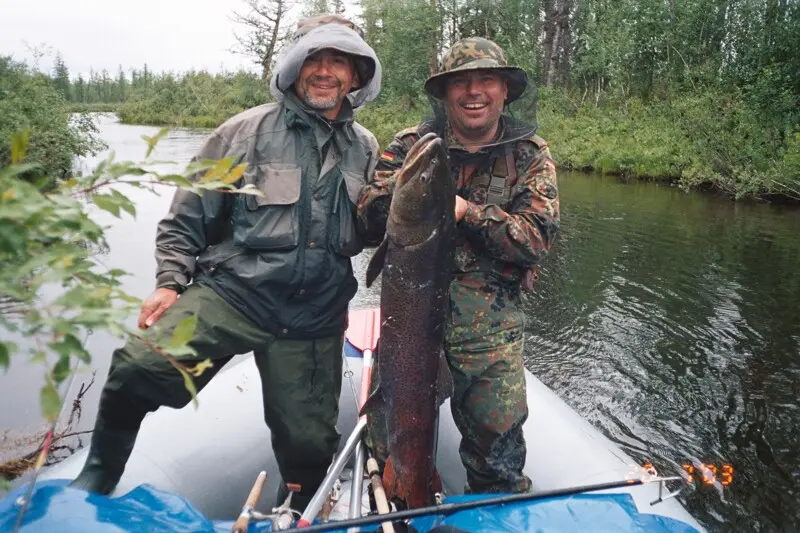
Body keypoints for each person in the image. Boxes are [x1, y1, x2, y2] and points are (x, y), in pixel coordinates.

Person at [70, 14, 382, 511]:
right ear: (295, 67)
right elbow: (185, 218)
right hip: (235, 294)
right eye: (314, 59)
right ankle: (97, 475)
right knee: (137, 367)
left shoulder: (366, 149)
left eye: (338, 61)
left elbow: (374, 232)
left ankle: (296, 510)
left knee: (308, 447)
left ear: (357, 76)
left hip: (315, 314)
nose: (325, 71)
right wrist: (170, 282)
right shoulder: (242, 133)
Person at [357, 37, 560, 496]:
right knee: (386, 448)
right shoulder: (414, 146)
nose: (474, 92)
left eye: (486, 80)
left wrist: (468, 212)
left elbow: (535, 240)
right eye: (461, 83)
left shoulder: (530, 153)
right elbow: (368, 217)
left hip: (489, 328)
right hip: (408, 323)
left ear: (504, 90)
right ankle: (395, 500)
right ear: (445, 93)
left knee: (498, 463)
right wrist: (410, 200)